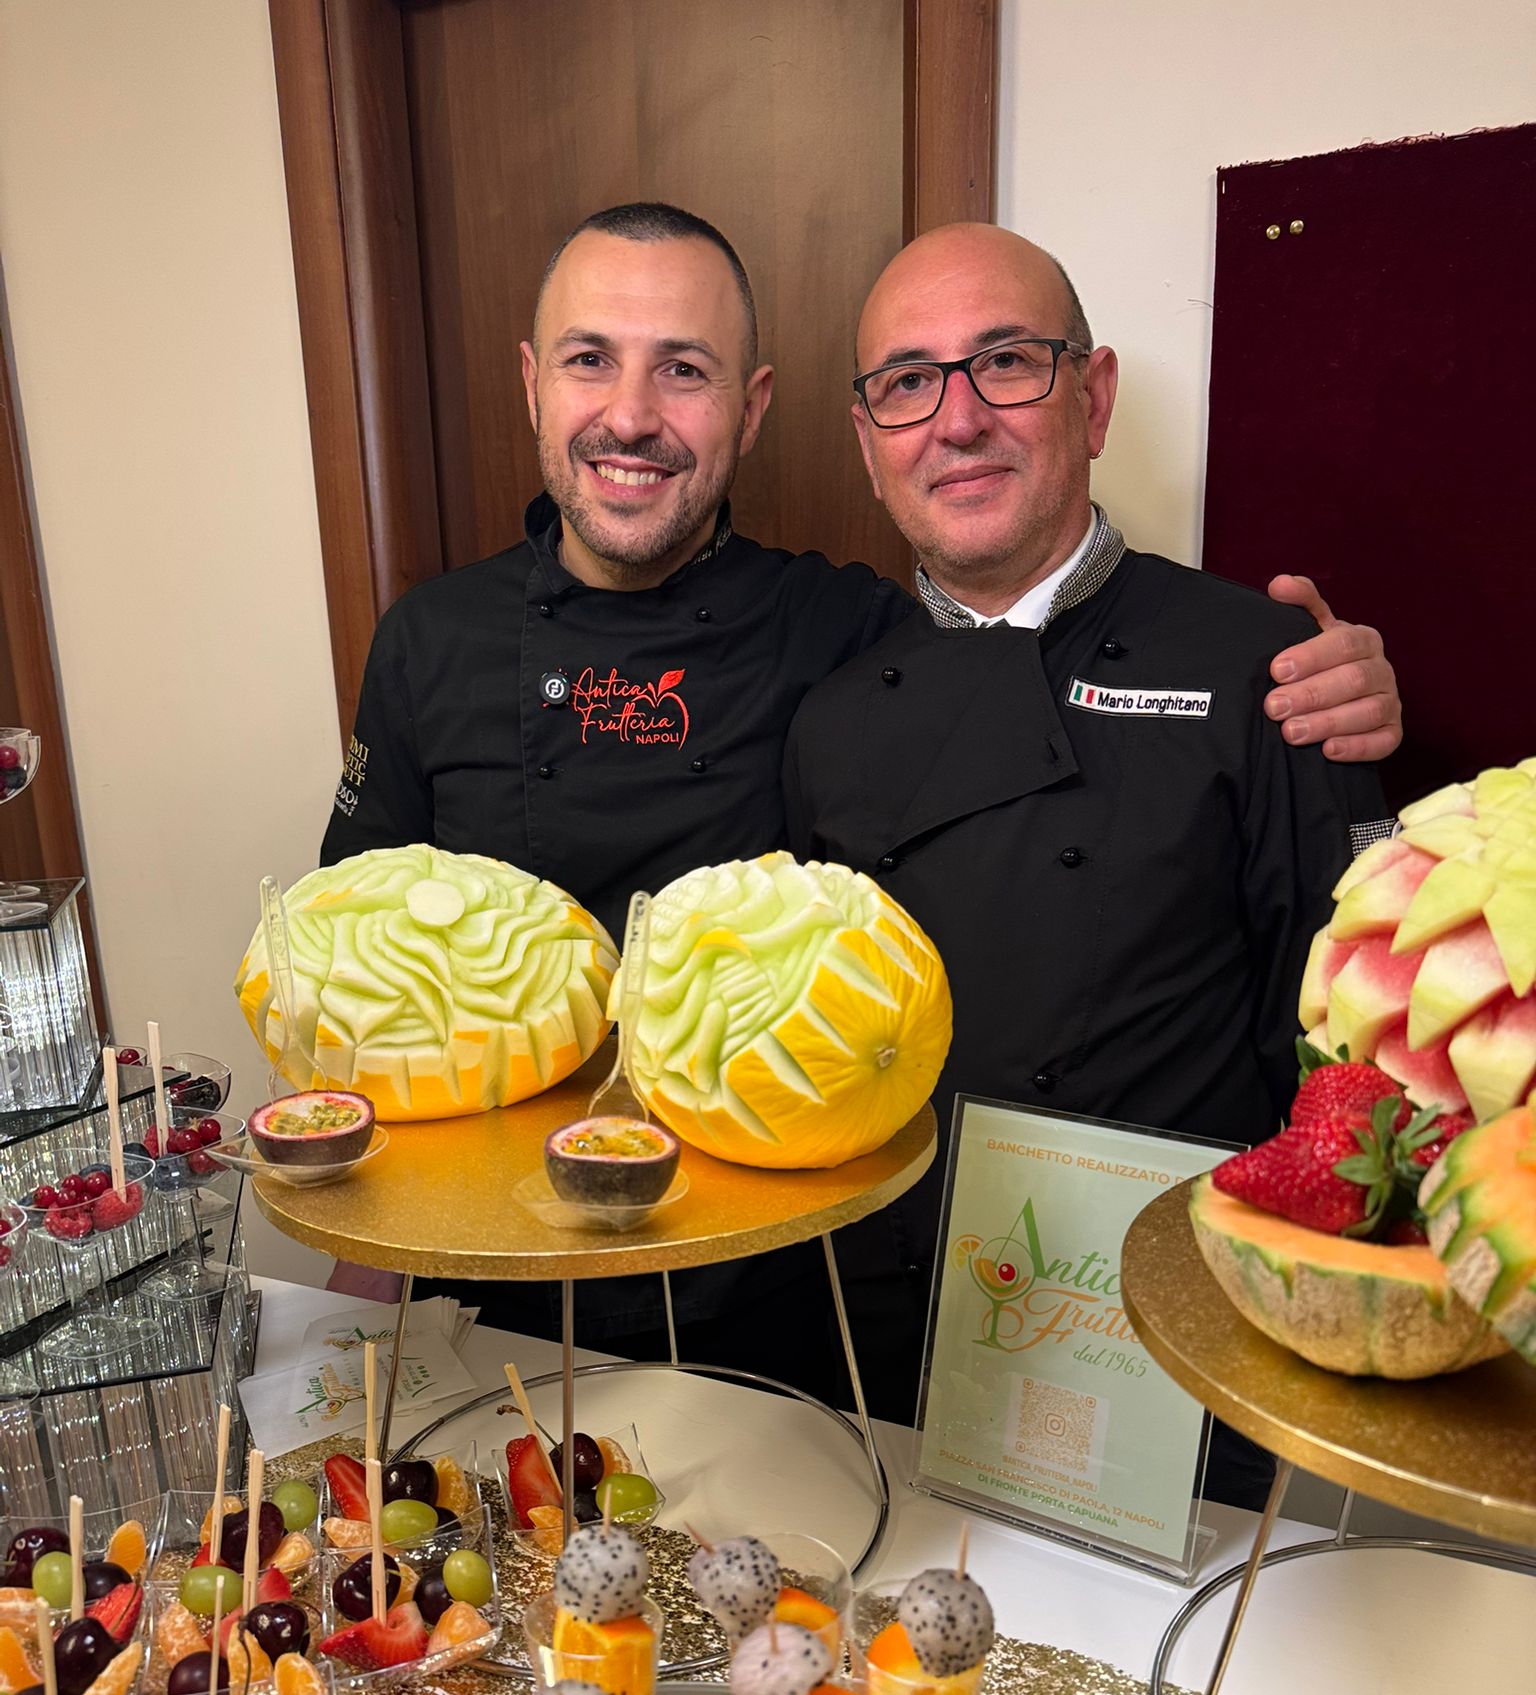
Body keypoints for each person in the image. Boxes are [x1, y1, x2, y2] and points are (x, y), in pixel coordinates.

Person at [320, 201, 1400, 1375]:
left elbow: (1351, 1042)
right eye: (590, 358)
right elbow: (352, 970)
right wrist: (362, 1244)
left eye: (1006, 363)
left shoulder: (849, 631)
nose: (630, 415)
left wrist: (1340, 698)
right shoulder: (440, 640)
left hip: (842, 1286)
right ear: (534, 383)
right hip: (512, 1256)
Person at [784, 223, 1393, 1503]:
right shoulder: (829, 719)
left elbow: (1345, 1055)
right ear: (869, 443)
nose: (958, 420)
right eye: (908, 382)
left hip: (1186, 1361)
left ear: (1094, 397)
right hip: (892, 1357)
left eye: (1007, 361)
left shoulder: (1268, 665)